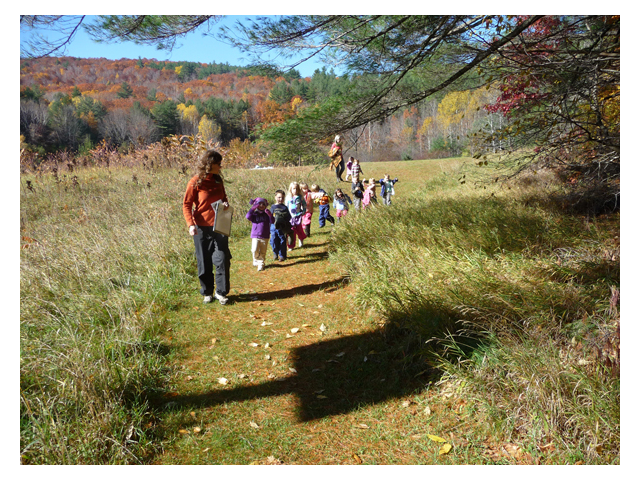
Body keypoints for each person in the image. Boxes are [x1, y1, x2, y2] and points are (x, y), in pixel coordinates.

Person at [182, 149, 232, 305]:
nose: (220, 167)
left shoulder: (218, 181)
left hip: (220, 225)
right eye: (218, 164)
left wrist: (225, 205)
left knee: (222, 258)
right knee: (204, 260)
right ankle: (207, 292)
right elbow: (186, 204)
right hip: (201, 227)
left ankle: (221, 292)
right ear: (209, 164)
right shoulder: (195, 181)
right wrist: (191, 224)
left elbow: (224, 198)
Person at [246, 197, 273, 271]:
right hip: (255, 235)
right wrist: (252, 209)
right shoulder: (254, 214)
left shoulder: (266, 214)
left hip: (265, 236)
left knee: (263, 251)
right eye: (259, 204)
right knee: (254, 249)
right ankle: (256, 259)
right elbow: (247, 216)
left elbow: (272, 221)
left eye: (263, 204)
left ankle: (261, 264)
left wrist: (270, 215)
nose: (261, 205)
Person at [270, 189, 292, 261]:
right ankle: (275, 253)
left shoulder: (285, 208)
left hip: (282, 227)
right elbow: (270, 217)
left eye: (282, 197)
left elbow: (289, 218)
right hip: (273, 227)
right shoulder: (273, 207)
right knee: (273, 240)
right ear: (275, 197)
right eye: (279, 197)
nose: (281, 199)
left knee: (282, 240)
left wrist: (289, 227)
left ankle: (282, 255)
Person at [285, 182, 307, 250]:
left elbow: (304, 205)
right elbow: (286, 206)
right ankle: (291, 245)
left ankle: (301, 239)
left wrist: (303, 211)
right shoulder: (288, 197)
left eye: (297, 189)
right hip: (290, 217)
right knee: (291, 231)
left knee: (299, 229)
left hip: (298, 216)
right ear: (290, 189)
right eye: (294, 189)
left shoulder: (300, 197)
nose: (295, 190)